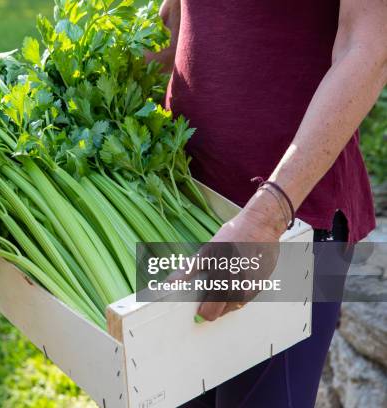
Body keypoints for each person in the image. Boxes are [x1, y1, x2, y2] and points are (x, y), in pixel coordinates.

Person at [147, 0, 386, 406]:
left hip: (291, 228)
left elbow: (368, 49)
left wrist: (265, 218)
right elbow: (181, 15)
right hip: (177, 196)